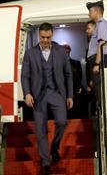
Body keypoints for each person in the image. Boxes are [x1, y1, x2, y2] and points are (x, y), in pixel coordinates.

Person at [21, 22, 73, 175]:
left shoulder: (60, 51)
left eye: (48, 37)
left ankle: (54, 147)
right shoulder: (30, 53)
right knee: (40, 129)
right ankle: (45, 161)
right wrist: (27, 93)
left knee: (62, 122)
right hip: (38, 95)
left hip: (56, 92)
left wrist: (69, 95)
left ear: (52, 35)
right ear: (39, 35)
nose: (45, 40)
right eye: (42, 37)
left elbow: (68, 75)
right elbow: (25, 76)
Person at [86, 0, 107, 115]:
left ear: (97, 11)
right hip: (99, 60)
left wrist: (97, 64)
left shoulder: (101, 24)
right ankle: (101, 113)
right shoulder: (98, 25)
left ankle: (103, 114)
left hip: (100, 61)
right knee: (98, 92)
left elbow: (101, 44)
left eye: (90, 11)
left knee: (100, 92)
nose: (89, 14)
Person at [63, 44, 83, 118]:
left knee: (74, 106)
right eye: (64, 49)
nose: (66, 50)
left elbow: (80, 76)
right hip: (62, 89)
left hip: (74, 88)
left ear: (70, 50)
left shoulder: (76, 63)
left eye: (67, 49)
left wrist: (78, 87)